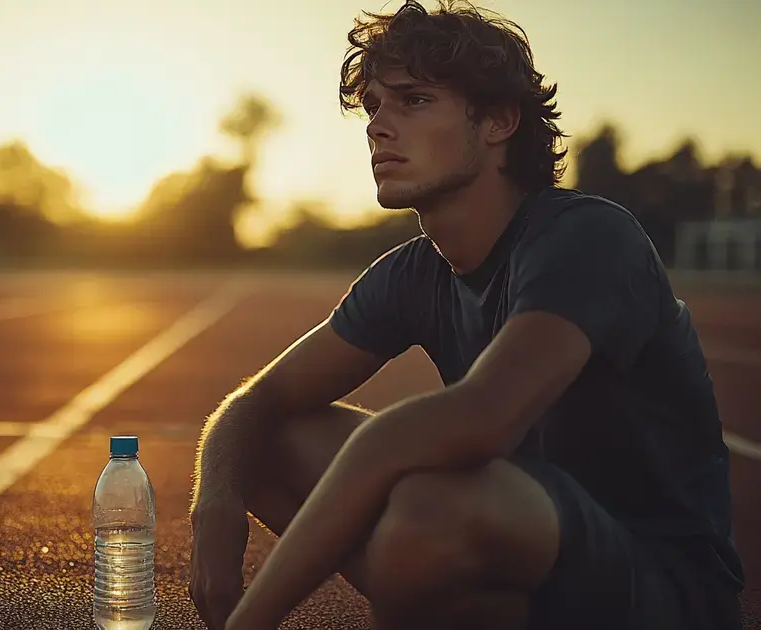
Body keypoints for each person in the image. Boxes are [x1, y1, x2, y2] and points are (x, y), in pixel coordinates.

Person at [186, 1, 746, 629]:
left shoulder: (589, 237)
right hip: (523, 543)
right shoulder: (412, 273)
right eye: (373, 106)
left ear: (500, 122)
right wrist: (217, 500)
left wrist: (250, 618)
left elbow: (480, 419)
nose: (378, 126)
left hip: (661, 589)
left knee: (431, 505)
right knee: (264, 443)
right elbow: (257, 404)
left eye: (415, 101)